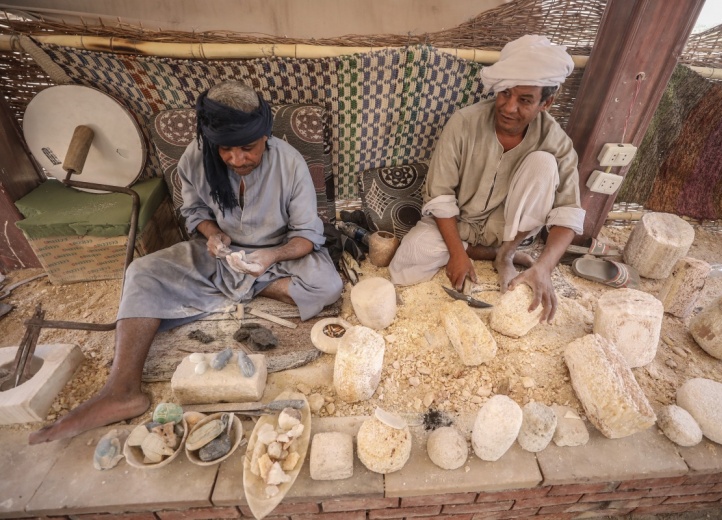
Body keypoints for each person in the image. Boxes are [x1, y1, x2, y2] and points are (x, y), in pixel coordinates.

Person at [29, 80, 343, 444]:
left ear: (265, 135)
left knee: (328, 285)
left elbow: (307, 236)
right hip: (223, 256)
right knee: (141, 272)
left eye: (248, 148)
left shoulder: (289, 163)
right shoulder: (195, 158)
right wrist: (214, 236)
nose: (237, 159)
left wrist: (271, 254)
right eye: (226, 149)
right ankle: (121, 390)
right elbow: (194, 212)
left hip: (278, 254)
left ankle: (240, 286)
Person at [389, 35, 585, 323]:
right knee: (405, 265)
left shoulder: (556, 141)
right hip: (458, 225)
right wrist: (457, 255)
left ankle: (506, 254)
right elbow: (440, 196)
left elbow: (568, 214)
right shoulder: (464, 123)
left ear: (546, 103)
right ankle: (483, 252)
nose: (508, 107)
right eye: (505, 93)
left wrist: (544, 267)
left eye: (524, 100)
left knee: (544, 163)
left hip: (509, 229)